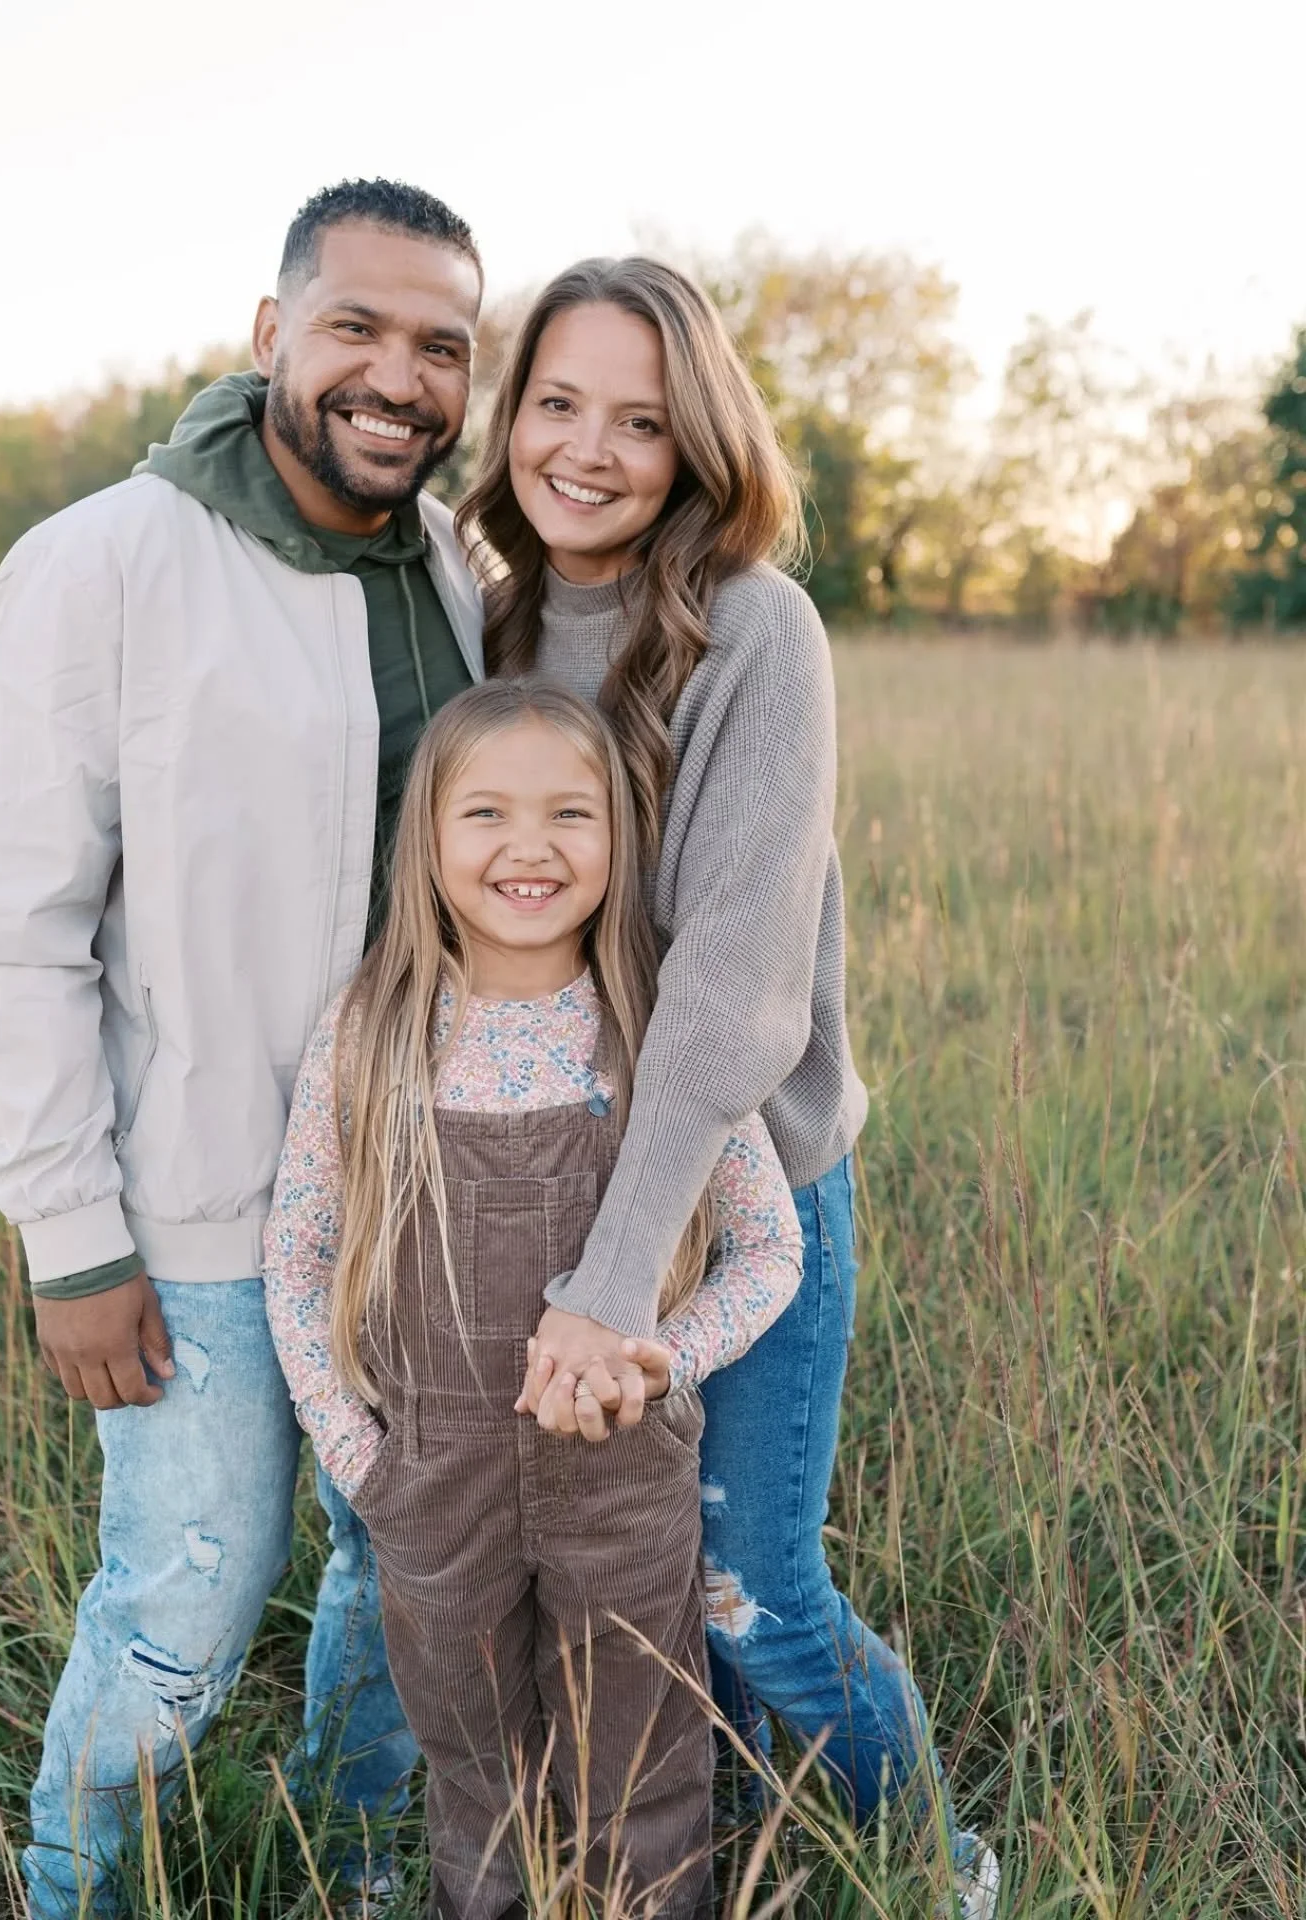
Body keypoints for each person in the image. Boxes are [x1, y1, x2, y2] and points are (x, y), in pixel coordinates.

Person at [0, 177, 484, 1917]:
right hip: (198, 1219)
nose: (397, 378)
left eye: (441, 347)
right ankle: (72, 1893)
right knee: (183, 1602)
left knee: (406, 1574)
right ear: (270, 334)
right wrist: (71, 1238)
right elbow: (15, 934)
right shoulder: (103, 562)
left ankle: (364, 1868)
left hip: (428, 1197)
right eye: (357, 327)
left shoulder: (461, 574)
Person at [452, 259, 1002, 1917]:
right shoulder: (489, 618)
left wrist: (610, 1293)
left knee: (757, 1584)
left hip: (744, 1182)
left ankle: (933, 1869)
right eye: (557, 403)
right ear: (512, 415)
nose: (590, 449)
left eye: (640, 417)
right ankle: (737, 1853)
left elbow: (733, 991)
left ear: (698, 440)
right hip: (548, 1173)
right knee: (633, 1592)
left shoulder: (756, 625)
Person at [263, 678, 804, 1919]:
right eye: (487, 814)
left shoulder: (657, 1029)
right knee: (471, 1770)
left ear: (621, 836)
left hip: (621, 1467)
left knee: (644, 1763)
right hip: (432, 1476)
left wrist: (664, 1361)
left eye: (571, 814)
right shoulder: (374, 1030)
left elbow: (770, 1250)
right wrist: (359, 1456)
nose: (529, 848)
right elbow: (297, 1259)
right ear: (429, 839)